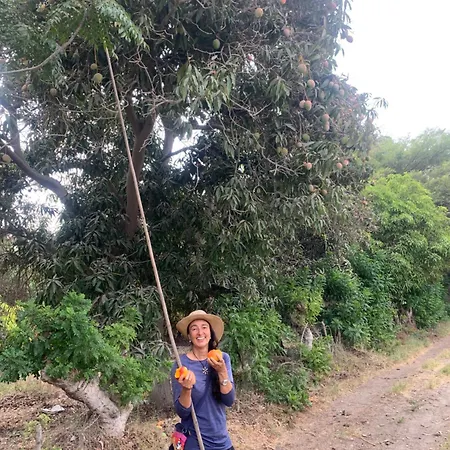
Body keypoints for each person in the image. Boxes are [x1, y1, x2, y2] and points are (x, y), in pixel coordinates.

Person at [171, 310, 235, 450]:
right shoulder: (181, 364)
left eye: (204, 327)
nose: (200, 332)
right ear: (189, 336)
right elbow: (182, 412)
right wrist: (187, 389)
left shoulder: (222, 358)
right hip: (195, 442)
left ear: (210, 333)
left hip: (221, 441)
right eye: (194, 329)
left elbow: (229, 400)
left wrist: (222, 372)